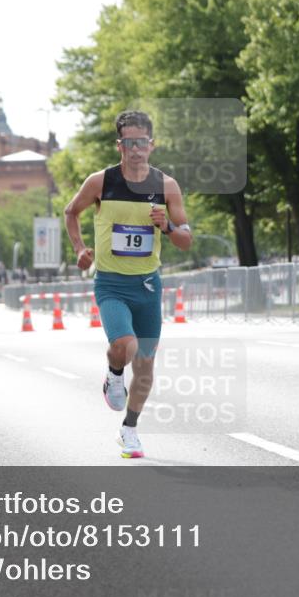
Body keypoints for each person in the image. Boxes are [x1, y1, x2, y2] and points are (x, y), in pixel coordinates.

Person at [63, 110, 193, 458]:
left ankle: (129, 430)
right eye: (128, 143)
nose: (135, 150)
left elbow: (185, 239)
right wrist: (79, 249)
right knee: (125, 344)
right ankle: (113, 373)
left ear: (151, 145)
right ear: (119, 145)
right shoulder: (100, 182)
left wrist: (166, 226)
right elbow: (70, 211)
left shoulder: (166, 186)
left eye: (142, 143)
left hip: (148, 286)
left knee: (146, 367)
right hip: (111, 284)